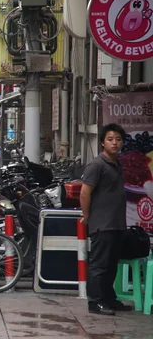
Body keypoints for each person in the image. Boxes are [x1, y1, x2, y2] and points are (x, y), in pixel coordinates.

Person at [80, 123, 132, 315]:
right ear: (102, 142)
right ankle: (95, 302)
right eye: (110, 139)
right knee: (99, 265)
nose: (114, 143)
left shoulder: (117, 164)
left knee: (111, 265)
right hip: (102, 224)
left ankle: (109, 299)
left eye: (118, 140)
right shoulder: (97, 164)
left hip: (117, 223)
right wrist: (87, 216)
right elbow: (85, 193)